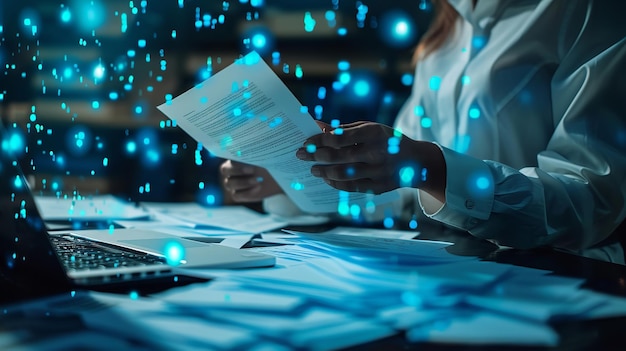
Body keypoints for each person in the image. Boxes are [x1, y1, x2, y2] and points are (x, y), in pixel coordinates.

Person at [221, 0, 626, 264]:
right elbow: (400, 193)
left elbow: (590, 201)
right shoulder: (445, 34)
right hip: (458, 267)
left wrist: (429, 166)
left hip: (568, 280)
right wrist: (290, 179)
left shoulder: (587, 11)